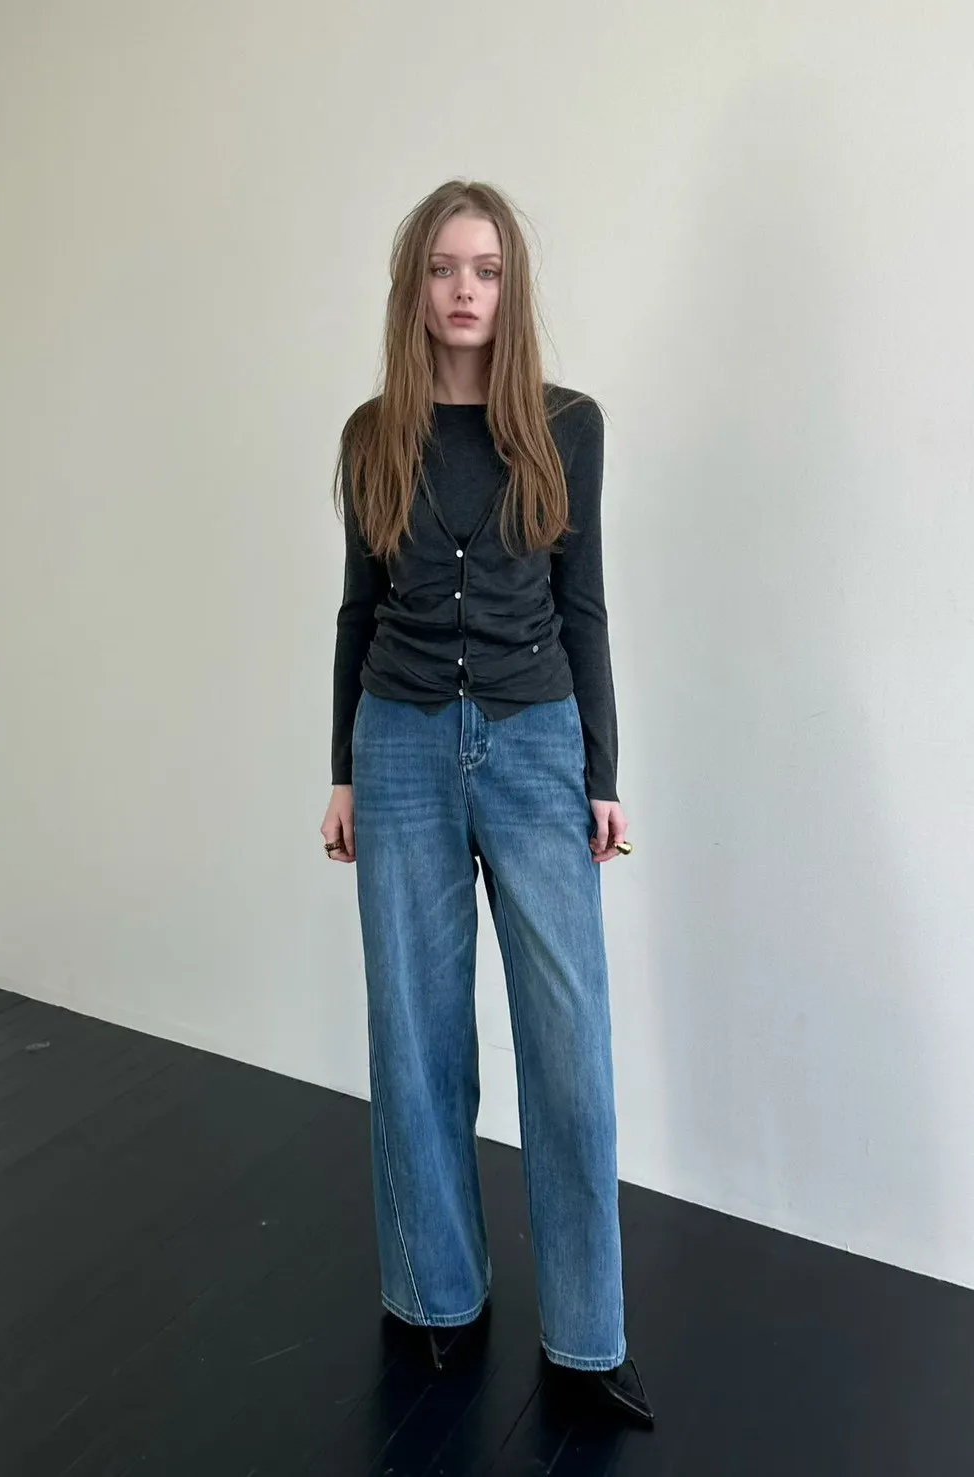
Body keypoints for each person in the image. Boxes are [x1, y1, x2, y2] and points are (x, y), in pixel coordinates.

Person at [320, 179, 653, 1430]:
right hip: (398, 745)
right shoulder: (372, 435)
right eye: (445, 268)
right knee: (415, 1038)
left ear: (512, 287)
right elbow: (357, 609)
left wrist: (600, 774)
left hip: (533, 743)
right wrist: (343, 771)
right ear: (413, 287)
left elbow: (584, 603)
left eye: (488, 269)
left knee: (569, 1047)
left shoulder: (568, 426)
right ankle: (435, 1298)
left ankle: (587, 1337)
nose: (466, 289)